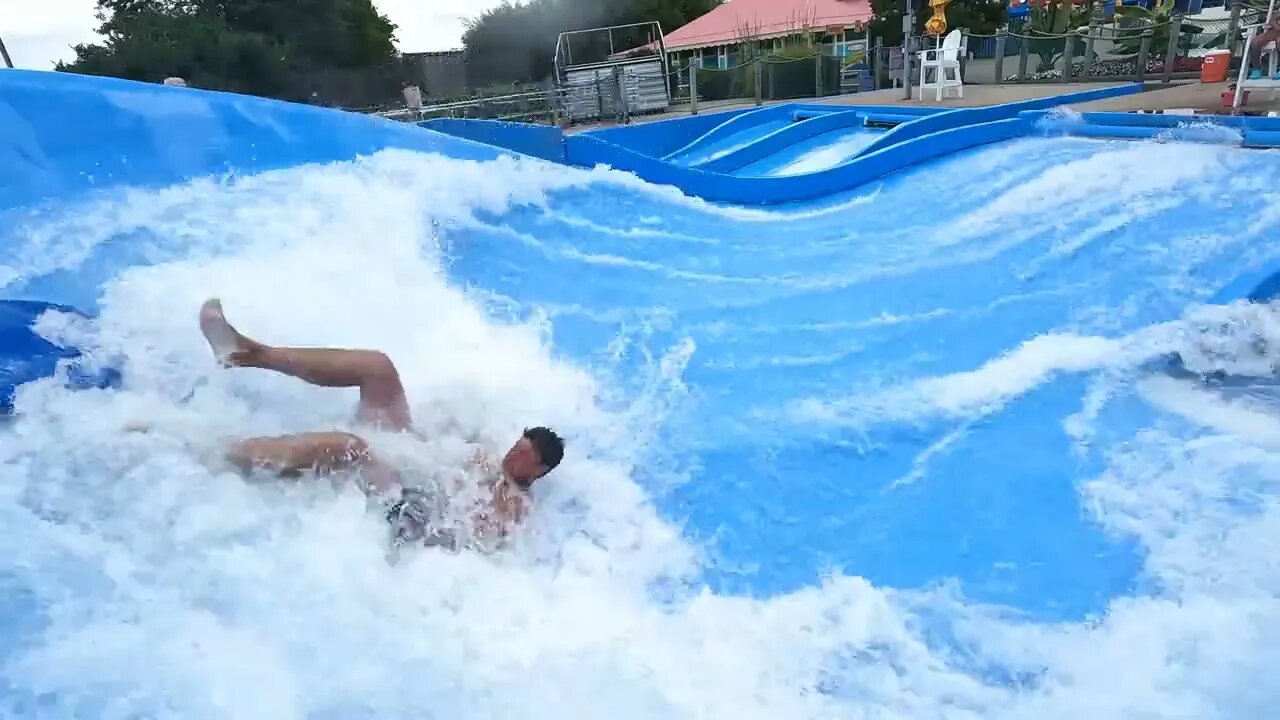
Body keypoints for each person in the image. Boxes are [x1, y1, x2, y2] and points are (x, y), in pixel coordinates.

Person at [197, 298, 565, 553]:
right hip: (411, 466)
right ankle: (244, 352)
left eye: (523, 455)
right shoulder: (486, 459)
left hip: (412, 509)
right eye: (516, 446)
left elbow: (476, 536)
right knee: (378, 367)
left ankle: (222, 452)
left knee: (349, 445)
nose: (512, 454)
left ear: (539, 470)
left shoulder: (515, 504)